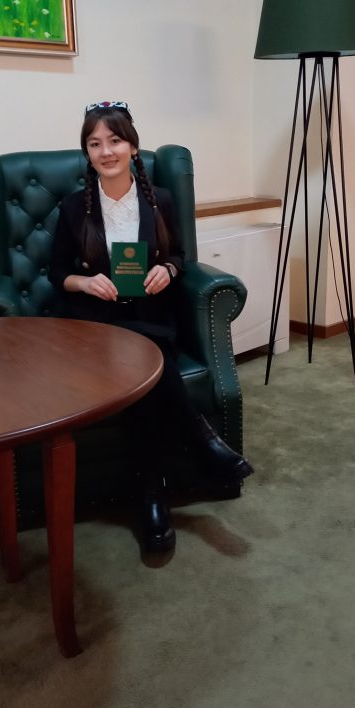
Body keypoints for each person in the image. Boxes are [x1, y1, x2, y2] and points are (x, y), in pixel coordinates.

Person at [49, 101, 253, 553]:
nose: (106, 151)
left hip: (149, 317)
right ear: (86, 152)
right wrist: (85, 280)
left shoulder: (158, 200)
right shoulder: (72, 208)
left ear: (133, 147)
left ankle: (150, 494)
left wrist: (170, 271)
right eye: (95, 143)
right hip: (98, 322)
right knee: (143, 358)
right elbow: (56, 271)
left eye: (115, 140)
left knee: (142, 372)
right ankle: (201, 446)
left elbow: (179, 255)